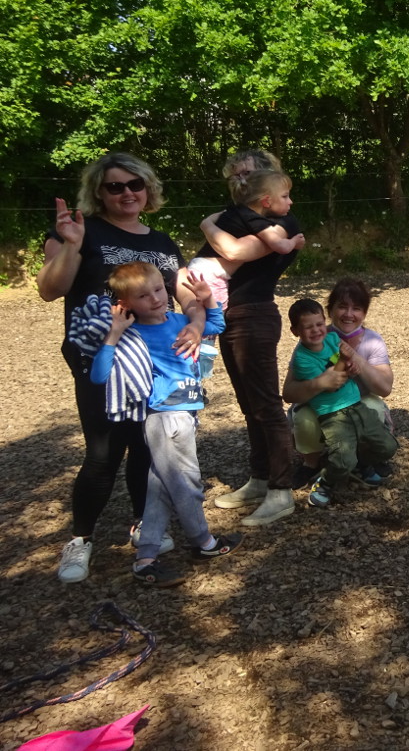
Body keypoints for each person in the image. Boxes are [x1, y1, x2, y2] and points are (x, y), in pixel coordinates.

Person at [38, 152, 205, 584]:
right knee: (102, 452)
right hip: (106, 359)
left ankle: (139, 523)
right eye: (115, 186)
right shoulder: (83, 231)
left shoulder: (163, 242)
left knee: (146, 448)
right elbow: (49, 289)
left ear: (148, 188)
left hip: (158, 365)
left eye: (136, 184)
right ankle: (81, 539)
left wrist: (198, 321)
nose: (127, 193)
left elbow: (183, 292)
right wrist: (72, 244)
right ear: (99, 191)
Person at [89, 263, 243, 585]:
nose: (156, 298)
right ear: (127, 304)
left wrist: (207, 299)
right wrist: (114, 334)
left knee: (159, 489)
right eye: (143, 296)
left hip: (184, 415)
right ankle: (205, 543)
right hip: (165, 418)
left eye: (159, 289)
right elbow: (99, 375)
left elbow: (217, 324)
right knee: (187, 483)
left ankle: (145, 559)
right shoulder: (133, 335)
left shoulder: (178, 320)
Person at [202, 154, 304, 526]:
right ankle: (260, 479)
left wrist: (206, 224)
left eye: (249, 173)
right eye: (236, 174)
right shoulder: (242, 217)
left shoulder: (280, 222)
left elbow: (231, 251)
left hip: (254, 315)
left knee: (267, 405)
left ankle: (281, 491)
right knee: (250, 406)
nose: (241, 179)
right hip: (227, 317)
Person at [285, 299, 399, 508]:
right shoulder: (302, 357)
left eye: (319, 324)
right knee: (343, 459)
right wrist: (344, 361)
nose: (316, 330)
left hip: (355, 404)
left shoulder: (332, 339)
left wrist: (351, 365)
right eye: (308, 327)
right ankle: (325, 483)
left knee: (387, 446)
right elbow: (331, 383)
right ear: (295, 331)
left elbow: (343, 367)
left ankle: (362, 463)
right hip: (331, 414)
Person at [187, 169, 305, 310]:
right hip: (211, 275)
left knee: (201, 320)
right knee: (212, 321)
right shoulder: (255, 220)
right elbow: (280, 246)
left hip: (200, 268)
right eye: (285, 196)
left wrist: (206, 224)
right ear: (266, 201)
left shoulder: (234, 211)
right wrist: (294, 242)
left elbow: (210, 221)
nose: (290, 202)